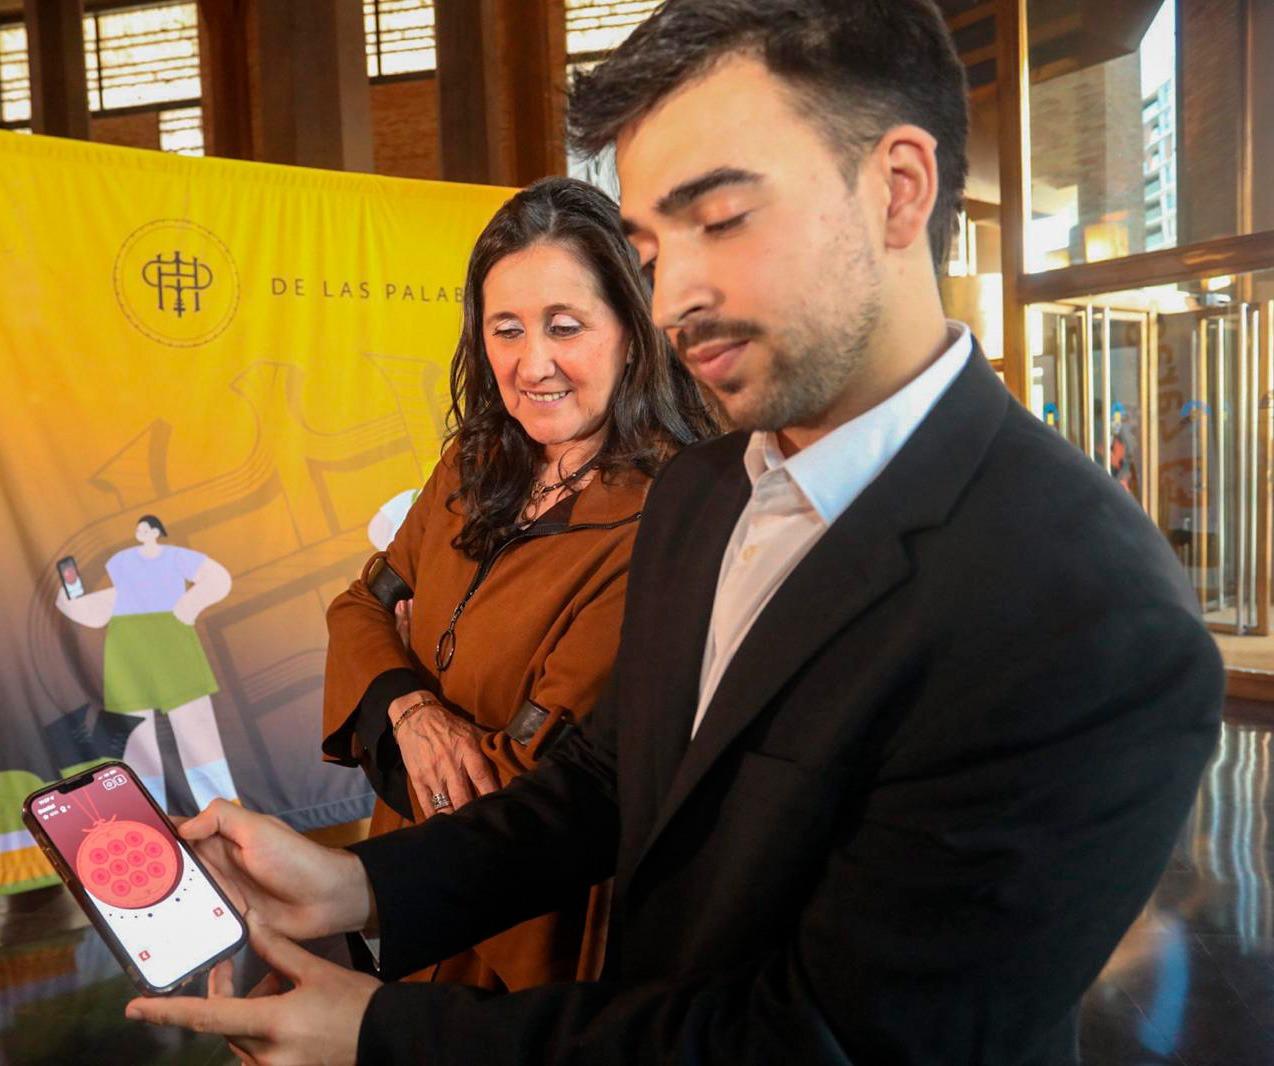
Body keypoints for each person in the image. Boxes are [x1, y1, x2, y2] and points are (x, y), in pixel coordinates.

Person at [127, 2, 1224, 1063]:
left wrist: (381, 1035)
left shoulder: (1086, 617)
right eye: (654, 249)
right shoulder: (707, 491)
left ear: (898, 190)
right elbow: (609, 784)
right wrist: (361, 886)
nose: (670, 301)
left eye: (723, 217)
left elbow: (823, 1040)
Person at [320, 175, 716, 992]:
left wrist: (386, 703)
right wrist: (411, 706)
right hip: (402, 874)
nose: (532, 364)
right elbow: (360, 606)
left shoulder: (669, 516)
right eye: (506, 329)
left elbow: (527, 780)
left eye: (565, 326)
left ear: (634, 331)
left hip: (525, 921)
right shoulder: (474, 466)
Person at [55, 514, 238, 813]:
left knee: (196, 728)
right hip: (129, 650)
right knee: (137, 740)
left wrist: (186, 607)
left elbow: (218, 578)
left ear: (155, 531)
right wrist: (69, 594)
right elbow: (91, 611)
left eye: (144, 528)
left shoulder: (175, 557)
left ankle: (223, 807)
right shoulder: (121, 576)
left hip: (172, 644)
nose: (140, 533)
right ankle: (146, 813)